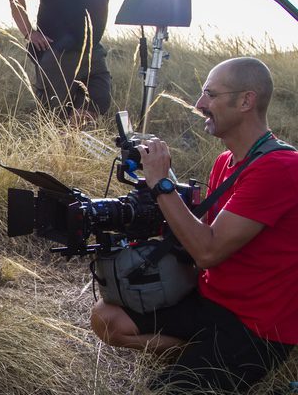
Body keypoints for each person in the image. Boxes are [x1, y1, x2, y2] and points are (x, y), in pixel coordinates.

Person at [90, 57, 298, 393]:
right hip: (210, 299)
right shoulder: (227, 161)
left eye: (211, 95)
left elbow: (207, 250)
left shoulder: (281, 168)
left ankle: (214, 363)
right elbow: (197, 234)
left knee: (162, 391)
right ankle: (195, 353)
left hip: (255, 327)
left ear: (246, 101)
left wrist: (161, 184)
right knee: (107, 318)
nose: (200, 104)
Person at [8, 0, 111, 119]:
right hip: (58, 53)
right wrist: (29, 32)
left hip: (93, 50)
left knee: (98, 98)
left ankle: (72, 136)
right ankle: (62, 137)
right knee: (55, 115)